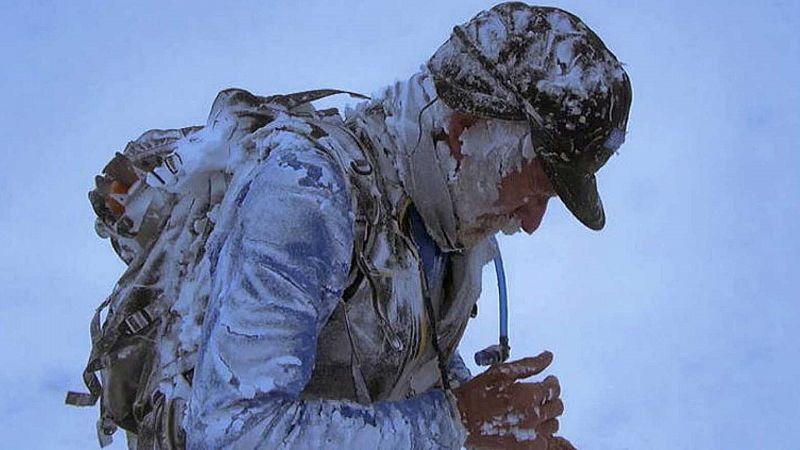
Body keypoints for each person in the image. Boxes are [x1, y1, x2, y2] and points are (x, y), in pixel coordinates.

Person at [73, 3, 631, 449]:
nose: (533, 223)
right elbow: (229, 433)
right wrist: (456, 429)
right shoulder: (305, 199)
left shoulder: (448, 208)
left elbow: (398, 353)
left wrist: (495, 426)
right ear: (466, 129)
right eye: (535, 189)